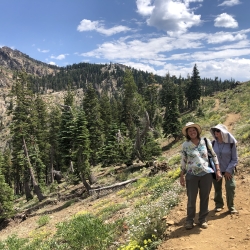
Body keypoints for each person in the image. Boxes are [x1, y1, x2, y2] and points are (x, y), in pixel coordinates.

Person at [180, 122, 222, 230]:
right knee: (191, 199)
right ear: (187, 134)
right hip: (191, 174)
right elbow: (183, 160)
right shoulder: (185, 145)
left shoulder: (205, 141)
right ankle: (189, 220)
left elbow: (214, 155)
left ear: (197, 131)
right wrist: (181, 175)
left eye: (194, 130)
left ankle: (203, 219)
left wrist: (217, 170)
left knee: (204, 197)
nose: (192, 132)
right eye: (190, 131)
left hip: (206, 173)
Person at [210, 124, 238, 214]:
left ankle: (231, 206)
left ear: (223, 133)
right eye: (215, 131)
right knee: (217, 188)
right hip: (216, 170)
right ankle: (218, 205)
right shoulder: (212, 143)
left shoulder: (231, 144)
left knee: (230, 187)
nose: (216, 132)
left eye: (218, 131)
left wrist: (229, 170)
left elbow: (234, 159)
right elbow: (210, 157)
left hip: (228, 170)